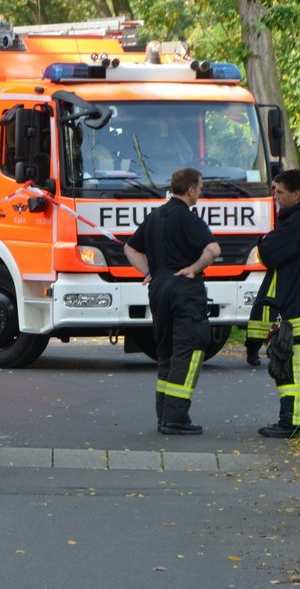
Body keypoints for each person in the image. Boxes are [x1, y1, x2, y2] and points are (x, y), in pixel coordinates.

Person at [124, 168, 221, 436]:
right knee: (188, 352)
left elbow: (130, 248)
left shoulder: (155, 216)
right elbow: (213, 250)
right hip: (184, 291)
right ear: (190, 189)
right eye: (199, 187)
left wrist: (149, 272)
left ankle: (164, 416)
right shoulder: (189, 219)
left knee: (166, 352)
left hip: (158, 290)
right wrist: (193, 267)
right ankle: (176, 419)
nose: (200, 192)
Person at [249, 169, 300, 438]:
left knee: (292, 366)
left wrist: (262, 241)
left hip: (294, 307)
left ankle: (292, 423)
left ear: (297, 194)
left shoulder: (296, 223)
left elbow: (268, 253)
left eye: (280, 191)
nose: (275, 195)